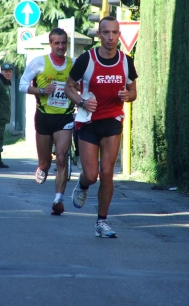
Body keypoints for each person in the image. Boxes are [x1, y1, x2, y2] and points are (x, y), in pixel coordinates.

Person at [64, 16, 138, 238]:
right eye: (106, 32)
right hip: (87, 122)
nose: (111, 37)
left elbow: (133, 91)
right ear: (99, 34)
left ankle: (102, 222)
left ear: (119, 35)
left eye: (115, 33)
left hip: (112, 121)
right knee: (91, 174)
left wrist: (128, 95)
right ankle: (83, 184)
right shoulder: (86, 59)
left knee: (107, 173)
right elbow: (69, 87)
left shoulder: (126, 61)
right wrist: (81, 101)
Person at [19, 28, 75, 216]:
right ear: (50, 44)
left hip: (64, 117)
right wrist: (42, 91)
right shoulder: (39, 63)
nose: (60, 46)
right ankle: (42, 167)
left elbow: (82, 86)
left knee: (61, 157)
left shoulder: (73, 64)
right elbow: (22, 85)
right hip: (44, 116)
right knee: (45, 162)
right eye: (56, 43)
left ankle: (58, 199)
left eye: (63, 43)